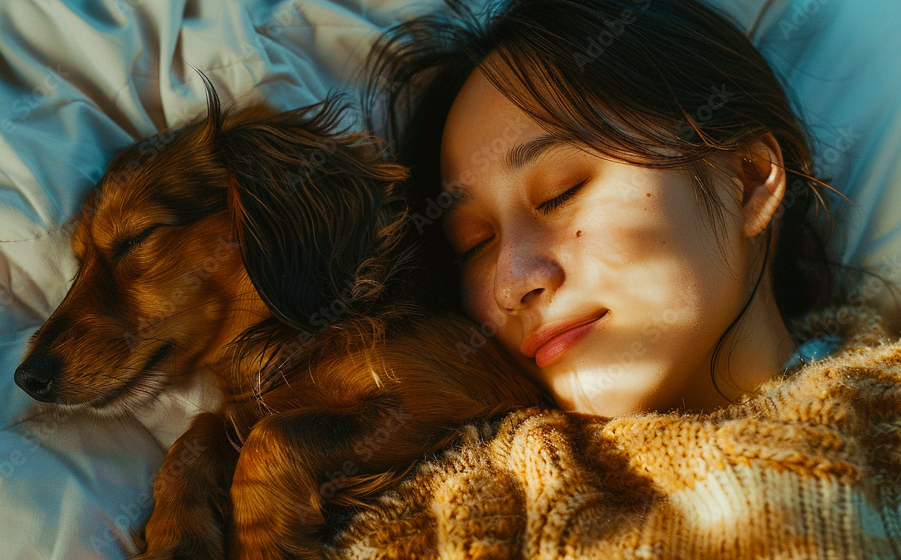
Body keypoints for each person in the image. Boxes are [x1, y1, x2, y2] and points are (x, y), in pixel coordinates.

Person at [322, 0, 901, 556]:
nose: (511, 281)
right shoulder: (431, 513)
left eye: (560, 193)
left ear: (747, 180)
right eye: (474, 244)